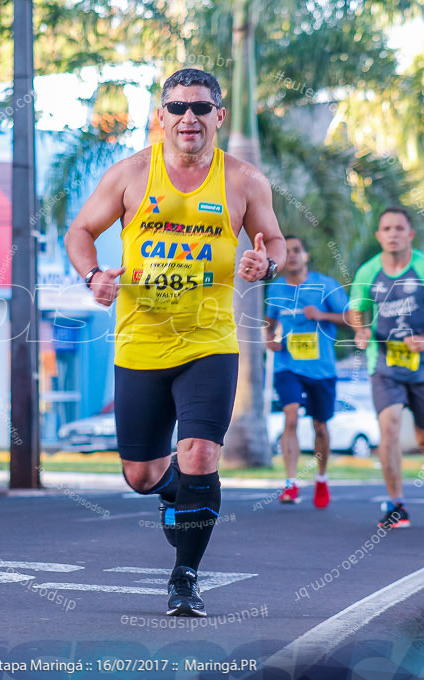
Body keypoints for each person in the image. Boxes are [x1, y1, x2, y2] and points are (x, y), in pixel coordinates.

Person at [64, 68, 285, 617]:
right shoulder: (131, 174)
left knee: (202, 454)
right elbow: (79, 231)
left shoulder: (244, 181)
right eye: (178, 107)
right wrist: (94, 276)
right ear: (161, 115)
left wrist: (267, 263)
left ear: (219, 116)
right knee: (140, 476)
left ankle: (184, 578)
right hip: (140, 342)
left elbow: (275, 240)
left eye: (202, 108)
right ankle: (172, 493)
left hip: (210, 342)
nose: (190, 117)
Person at [348, 207, 424, 529]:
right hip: (385, 366)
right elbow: (357, 310)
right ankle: (397, 505)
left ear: (410, 235)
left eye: (399, 228)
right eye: (387, 228)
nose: (393, 234)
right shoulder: (369, 272)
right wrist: (361, 329)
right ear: (379, 236)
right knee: (390, 428)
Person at [264, 236, 348, 507]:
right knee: (290, 418)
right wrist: (270, 339)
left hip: (321, 368)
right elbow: (269, 322)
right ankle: (290, 483)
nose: (291, 255)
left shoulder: (326, 285)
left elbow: (351, 317)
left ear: (306, 256)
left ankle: (321, 479)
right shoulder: (275, 288)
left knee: (320, 427)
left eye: (296, 250)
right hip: (288, 365)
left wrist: (322, 315)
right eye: (286, 251)